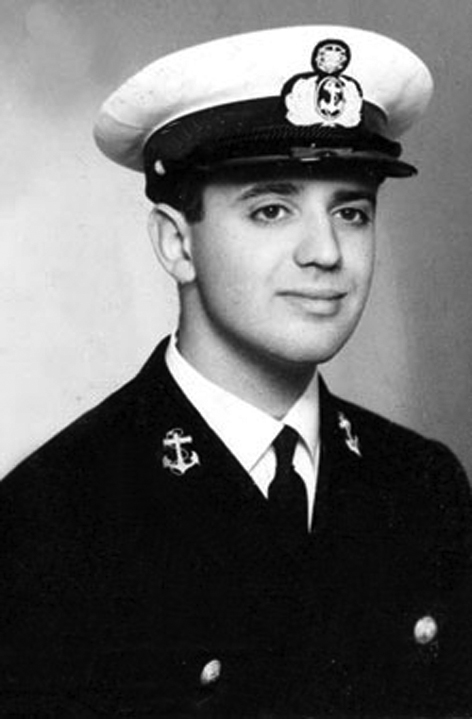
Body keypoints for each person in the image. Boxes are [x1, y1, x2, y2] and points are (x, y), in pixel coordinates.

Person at [1, 24, 472, 718]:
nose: (326, 251)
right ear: (177, 243)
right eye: (272, 209)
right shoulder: (52, 518)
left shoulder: (423, 485)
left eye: (351, 211)